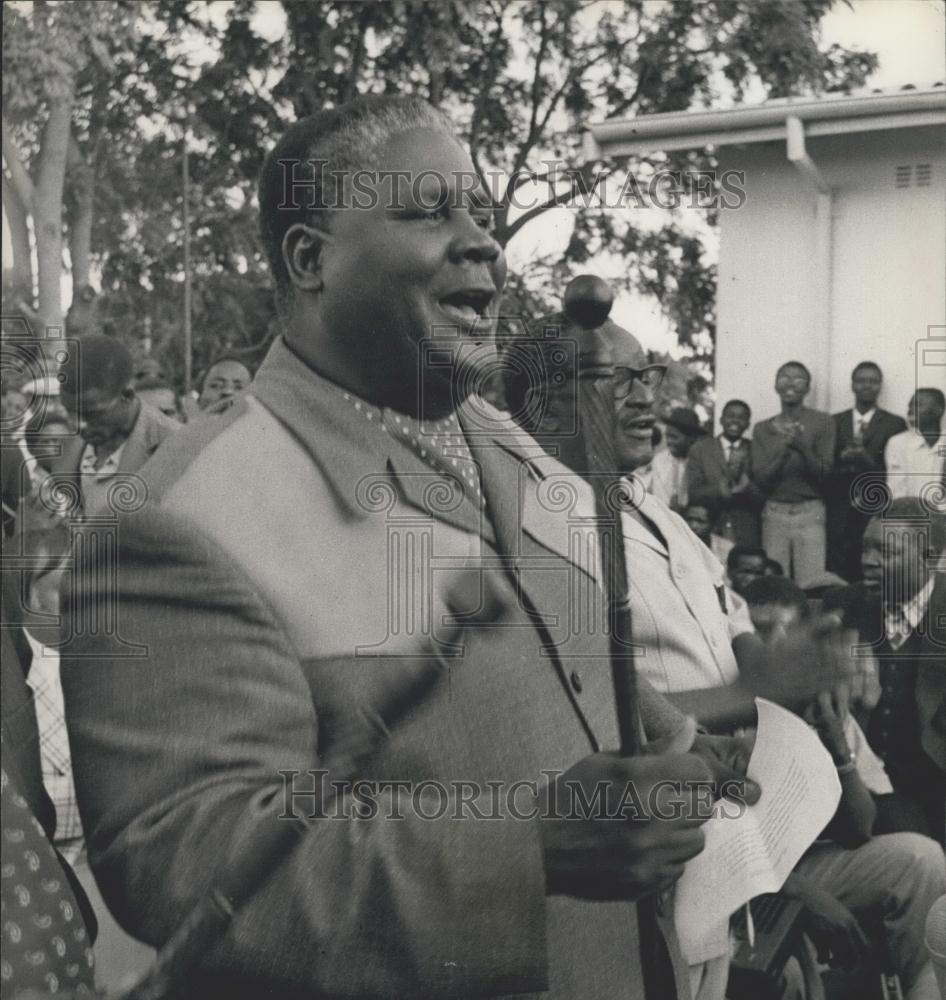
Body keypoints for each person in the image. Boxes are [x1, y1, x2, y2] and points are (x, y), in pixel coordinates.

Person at [62, 96, 745, 1000]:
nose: (483, 243)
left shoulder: (495, 442)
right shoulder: (168, 521)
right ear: (311, 259)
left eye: (483, 215)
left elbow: (566, 656)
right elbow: (192, 868)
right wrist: (529, 844)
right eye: (429, 211)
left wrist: (683, 742)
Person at [743, 576, 945, 1000]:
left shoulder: (821, 706)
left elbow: (860, 826)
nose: (776, 644)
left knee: (922, 858)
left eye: (786, 631)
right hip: (745, 877)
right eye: (762, 632)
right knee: (791, 972)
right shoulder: (735, 713)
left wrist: (836, 739)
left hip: (806, 864)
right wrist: (803, 895)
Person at [825, 498, 945, 844]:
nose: (868, 562)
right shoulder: (847, 608)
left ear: (931, 557)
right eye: (866, 548)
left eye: (886, 552)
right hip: (864, 784)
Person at [52, 335, 179, 518]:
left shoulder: (175, 444)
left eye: (92, 414)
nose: (78, 425)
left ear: (127, 396)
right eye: (70, 412)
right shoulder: (68, 447)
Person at [751, 361, 835, 587]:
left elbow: (824, 474)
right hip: (774, 511)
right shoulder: (762, 428)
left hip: (811, 512)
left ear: (807, 388)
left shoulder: (823, 422)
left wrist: (801, 446)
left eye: (798, 378)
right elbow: (761, 479)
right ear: (776, 385)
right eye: (784, 377)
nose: (790, 383)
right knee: (775, 583)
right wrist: (785, 451)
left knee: (811, 584)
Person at [827, 362, 908, 582]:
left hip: (873, 507)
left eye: (873, 381)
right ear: (852, 385)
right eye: (861, 380)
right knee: (837, 565)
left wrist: (867, 460)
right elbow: (823, 465)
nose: (867, 386)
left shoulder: (895, 423)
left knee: (869, 563)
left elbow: (896, 470)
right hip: (839, 506)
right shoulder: (834, 421)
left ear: (880, 386)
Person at [686, 398, 763, 547]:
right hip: (712, 527)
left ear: (748, 424)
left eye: (742, 418)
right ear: (721, 420)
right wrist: (719, 490)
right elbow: (693, 491)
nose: (735, 421)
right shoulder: (701, 449)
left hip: (745, 527)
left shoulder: (756, 450)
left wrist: (747, 489)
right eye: (730, 416)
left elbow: (764, 494)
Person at [885, 388, 945, 500]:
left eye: (918, 405)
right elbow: (897, 491)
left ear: (938, 410)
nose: (910, 410)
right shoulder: (898, 443)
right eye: (910, 405)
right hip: (910, 513)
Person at [649, 406, 705, 512]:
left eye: (674, 437)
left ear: (692, 439)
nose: (669, 442)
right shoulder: (659, 460)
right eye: (667, 436)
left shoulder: (701, 462)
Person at [683, 500, 734, 565]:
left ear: (713, 525)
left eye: (700, 521)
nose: (693, 526)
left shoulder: (726, 549)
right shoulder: (674, 542)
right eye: (689, 519)